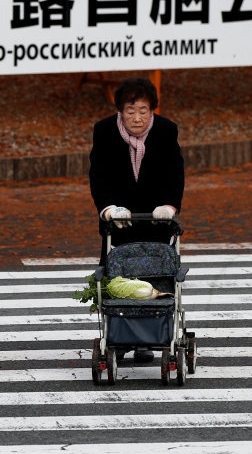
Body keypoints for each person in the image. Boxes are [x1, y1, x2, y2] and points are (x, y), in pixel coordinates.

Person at [88, 76, 185, 362]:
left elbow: (174, 172)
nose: (137, 118)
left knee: (153, 278)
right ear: (120, 111)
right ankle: (118, 336)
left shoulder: (166, 130)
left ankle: (148, 338)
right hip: (119, 221)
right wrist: (108, 208)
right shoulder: (104, 131)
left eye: (143, 110)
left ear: (152, 109)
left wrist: (169, 205)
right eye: (130, 111)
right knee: (117, 277)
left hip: (155, 221)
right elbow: (98, 174)